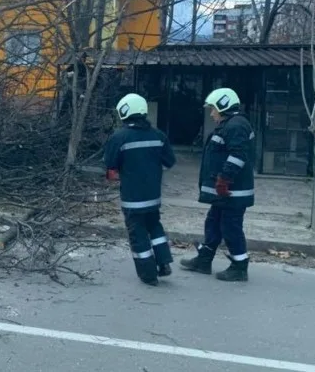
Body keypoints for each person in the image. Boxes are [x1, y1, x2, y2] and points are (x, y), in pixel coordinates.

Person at [180, 88, 255, 282]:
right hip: (226, 191)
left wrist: (224, 180)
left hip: (232, 191)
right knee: (213, 223)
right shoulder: (230, 124)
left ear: (223, 105)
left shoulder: (236, 125)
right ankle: (204, 260)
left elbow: (238, 155)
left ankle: (240, 266)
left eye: (213, 109)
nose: (212, 113)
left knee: (231, 227)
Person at [104, 93, 176, 286]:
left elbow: (110, 165)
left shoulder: (119, 137)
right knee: (155, 226)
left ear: (124, 111)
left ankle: (148, 273)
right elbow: (170, 162)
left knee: (137, 233)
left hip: (132, 196)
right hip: (153, 195)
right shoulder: (159, 135)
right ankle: (164, 263)